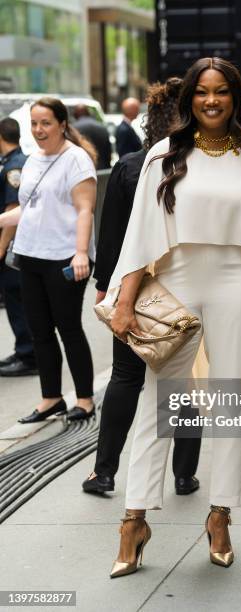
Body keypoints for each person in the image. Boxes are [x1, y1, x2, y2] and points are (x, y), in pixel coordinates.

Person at [106, 56, 241, 578]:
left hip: (239, 284)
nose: (211, 101)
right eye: (201, 92)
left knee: (230, 403)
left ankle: (220, 513)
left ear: (234, 98)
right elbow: (138, 236)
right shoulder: (163, 156)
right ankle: (133, 519)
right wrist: (124, 302)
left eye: (221, 92)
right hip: (176, 283)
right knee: (157, 406)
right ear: (188, 98)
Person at [82, 77, 201, 497]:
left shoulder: (132, 165)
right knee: (185, 381)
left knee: (126, 377)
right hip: (188, 286)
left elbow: (113, 235)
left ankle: (105, 471)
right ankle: (184, 474)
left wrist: (106, 289)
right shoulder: (202, 165)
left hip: (139, 290)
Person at [0, 97, 97, 423]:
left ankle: (84, 399)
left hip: (65, 257)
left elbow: (85, 209)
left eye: (46, 123)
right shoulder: (33, 160)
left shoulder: (76, 159)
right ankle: (51, 398)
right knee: (39, 330)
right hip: (31, 255)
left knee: (68, 328)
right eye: (34, 124)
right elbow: (28, 210)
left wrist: (81, 252)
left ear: (62, 124)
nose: (39, 130)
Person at [0, 118, 37, 377]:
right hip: (19, 245)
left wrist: (1, 247)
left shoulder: (14, 167)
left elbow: (13, 210)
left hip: (13, 244)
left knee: (17, 298)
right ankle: (24, 350)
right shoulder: (18, 162)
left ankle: (28, 354)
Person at [73, 104, 112, 170]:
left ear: (75, 115)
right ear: (88, 113)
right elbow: (108, 151)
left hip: (83, 170)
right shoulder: (102, 127)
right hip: (102, 170)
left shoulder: (74, 129)